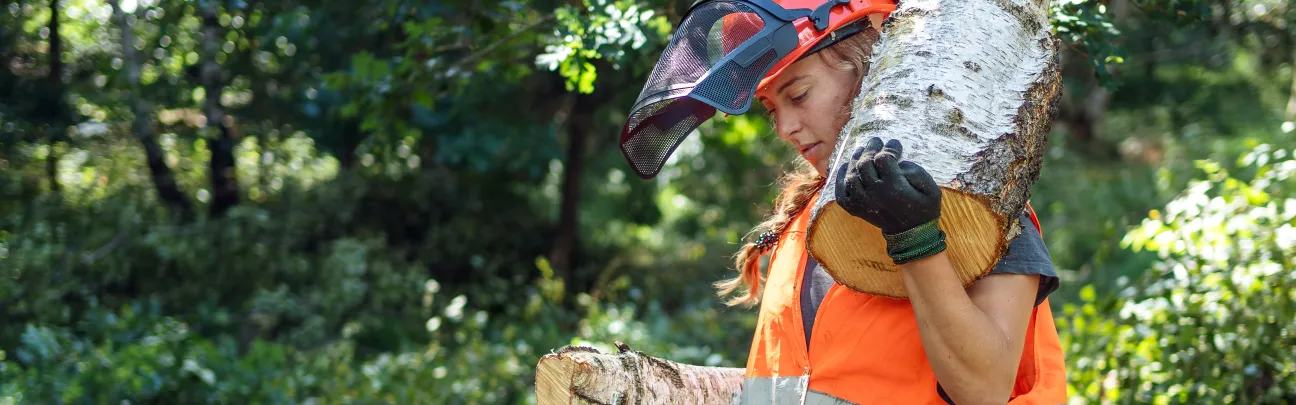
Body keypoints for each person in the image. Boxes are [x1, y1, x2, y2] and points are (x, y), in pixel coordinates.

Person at [618, 0, 1068, 404]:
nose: (784, 129)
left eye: (798, 95)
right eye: (772, 109)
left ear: (868, 65)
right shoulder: (803, 221)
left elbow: (984, 389)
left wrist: (914, 238)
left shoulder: (976, 209)